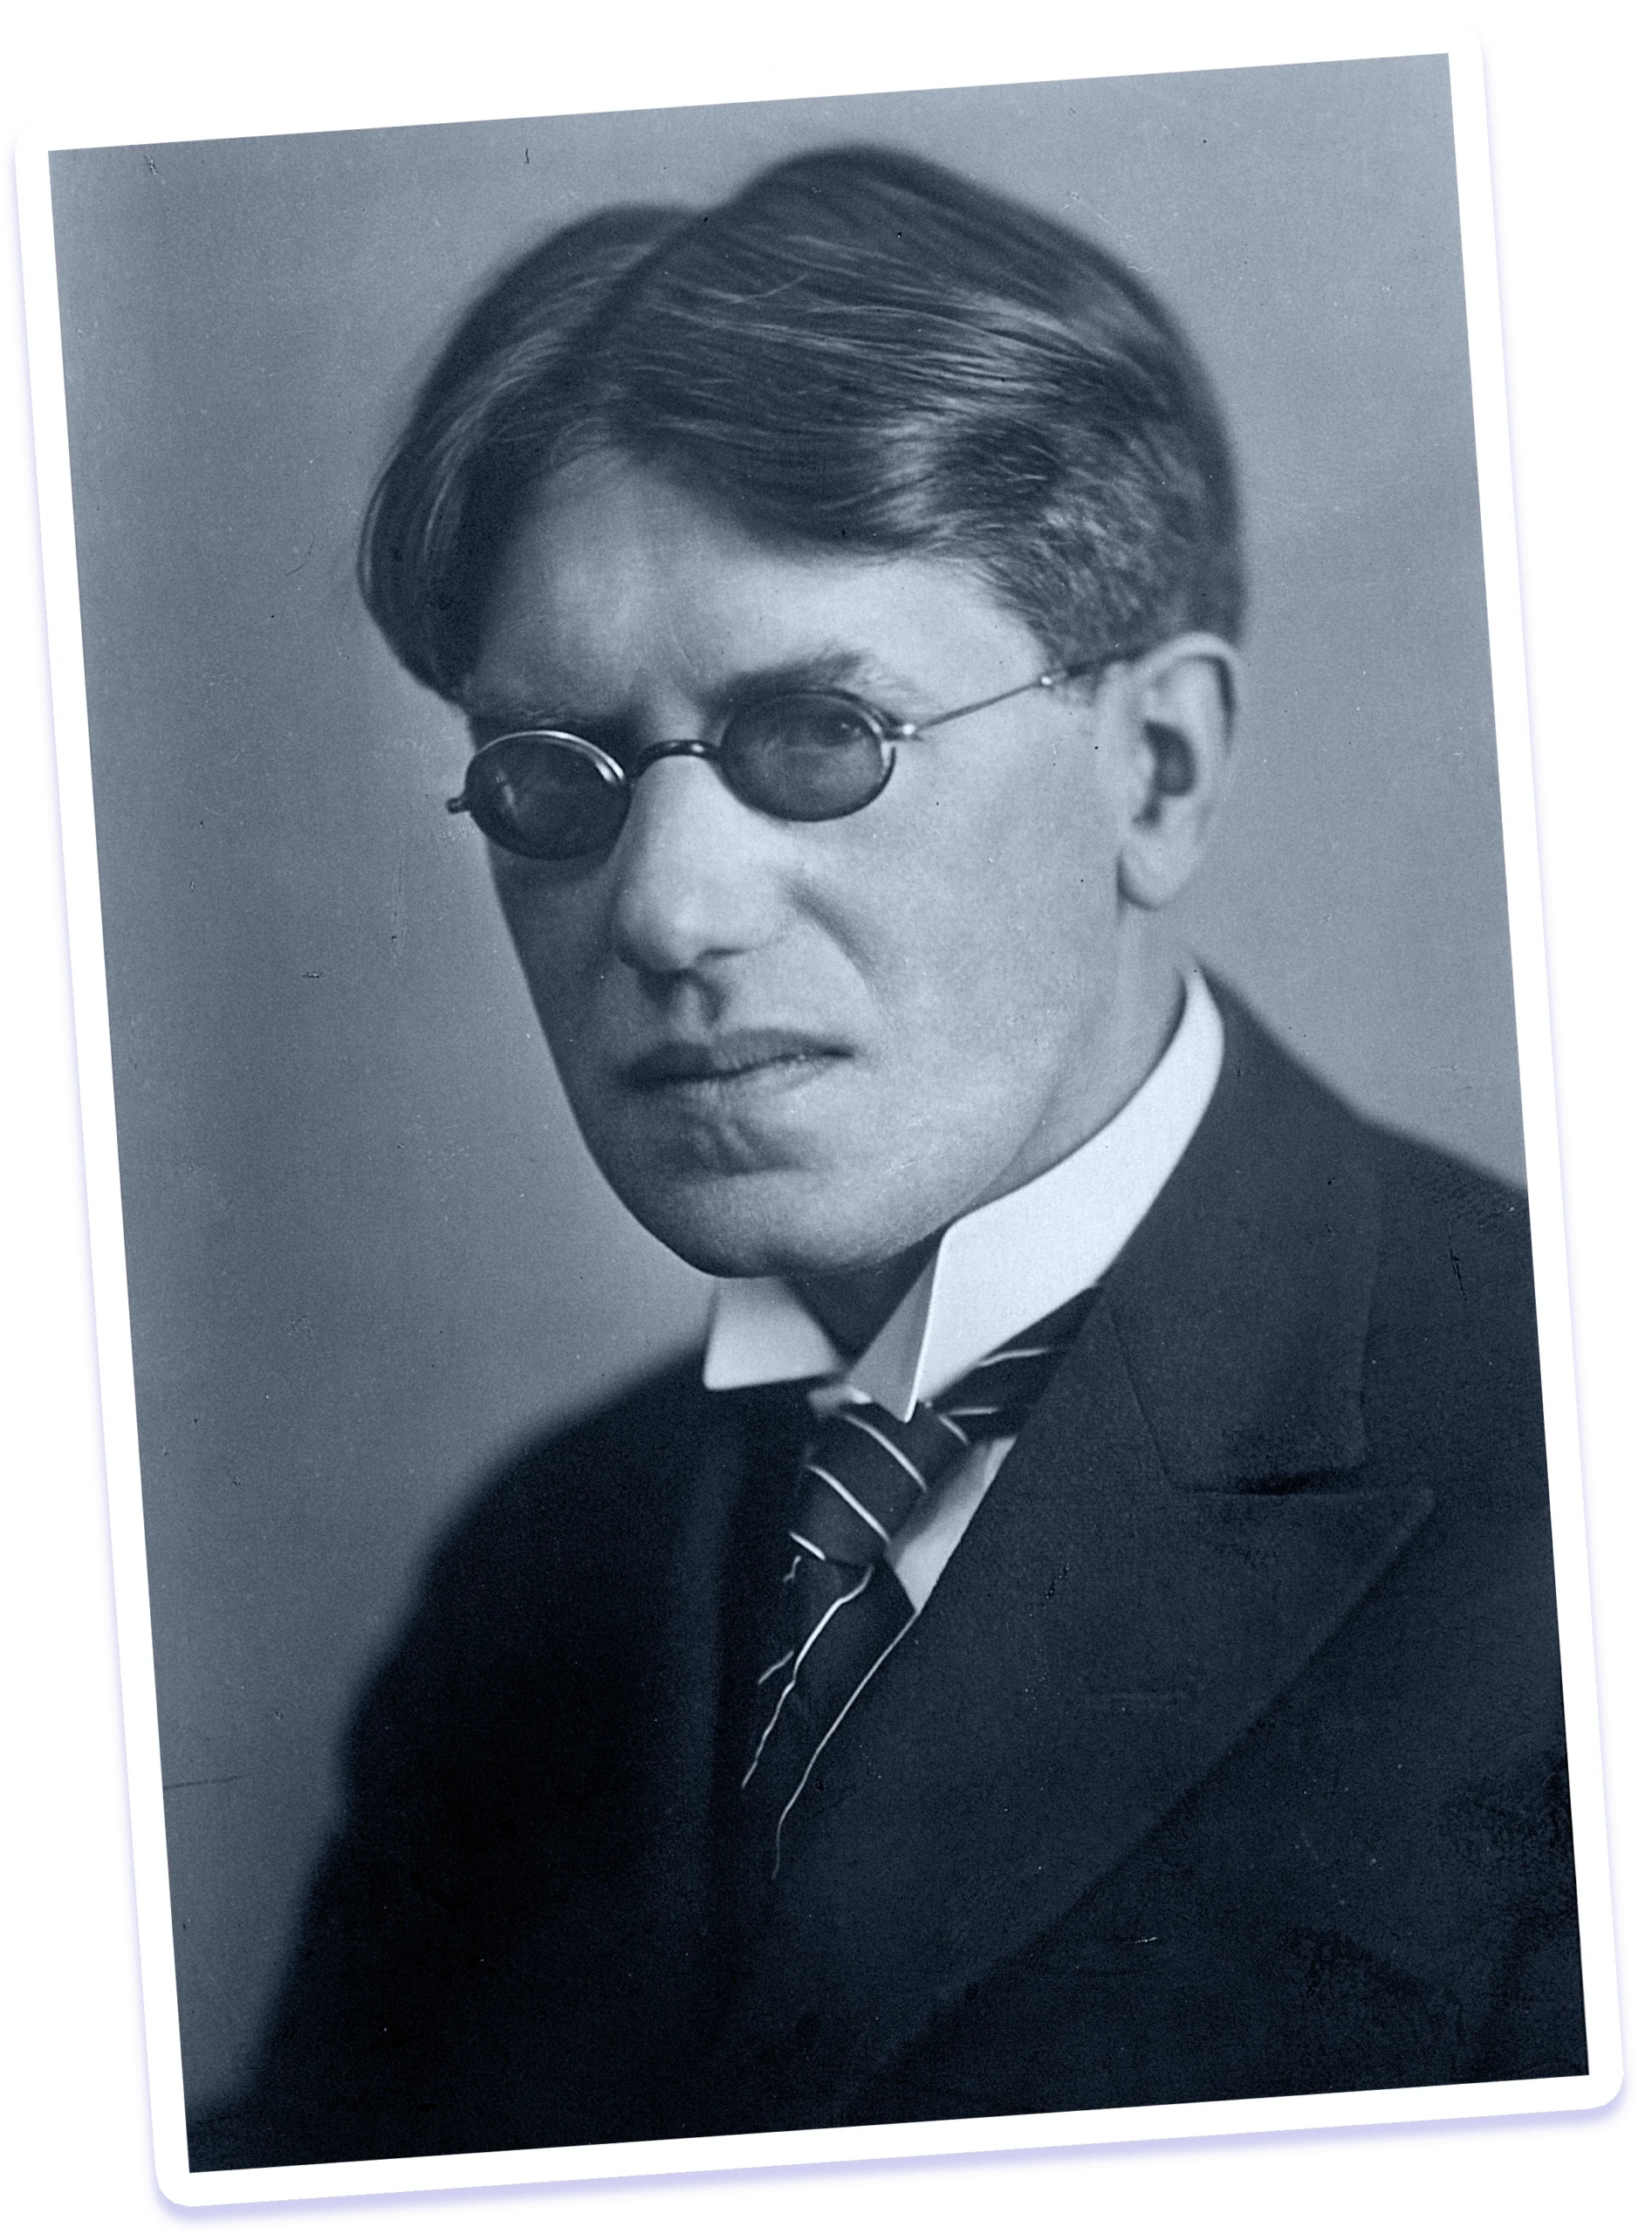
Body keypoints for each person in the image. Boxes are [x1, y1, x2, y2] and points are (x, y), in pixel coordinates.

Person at [194, 144, 1585, 2169]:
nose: (666, 909)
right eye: (550, 780)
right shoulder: (538, 1570)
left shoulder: (1548, 1476)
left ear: (1159, 767)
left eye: (817, 740)